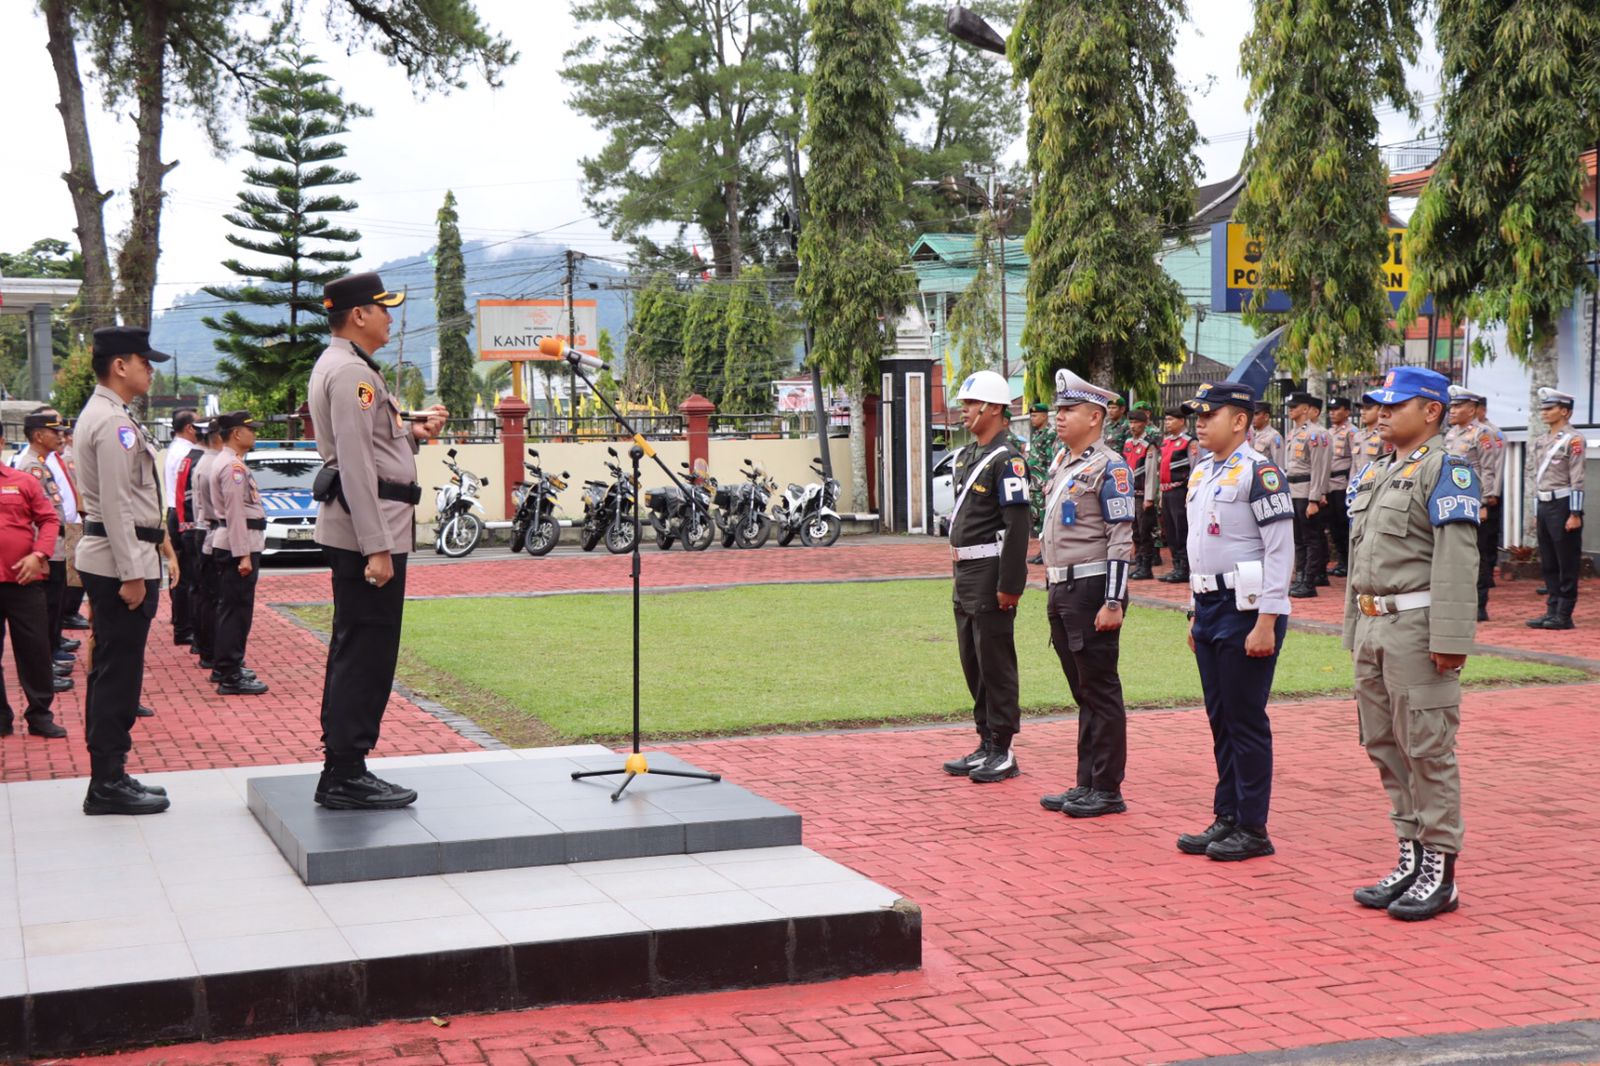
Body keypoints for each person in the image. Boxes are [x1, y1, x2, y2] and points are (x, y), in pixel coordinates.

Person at [1344, 366, 1479, 920]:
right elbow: (1360, 561)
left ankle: (1440, 870)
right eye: (1378, 406)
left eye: (1393, 406)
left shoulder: (1447, 470)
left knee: (1426, 748)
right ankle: (1411, 851)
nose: (1380, 415)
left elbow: (1456, 561)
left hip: (1417, 629)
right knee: (1383, 744)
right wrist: (1353, 629)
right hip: (1374, 624)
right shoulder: (1379, 471)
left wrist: (1450, 638)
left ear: (1430, 411)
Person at [310, 272, 447, 810]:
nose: (391, 317)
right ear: (358, 314)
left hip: (376, 526)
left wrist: (412, 433)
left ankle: (346, 765)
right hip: (371, 531)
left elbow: (374, 441)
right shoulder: (351, 374)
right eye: (383, 308)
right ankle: (345, 771)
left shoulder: (354, 370)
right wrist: (375, 546)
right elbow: (356, 463)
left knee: (361, 649)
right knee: (364, 653)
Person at [1177, 381, 1294, 861]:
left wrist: (1268, 619)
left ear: (1241, 420)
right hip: (1208, 606)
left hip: (1246, 610)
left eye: (1210, 414)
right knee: (1220, 720)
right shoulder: (1202, 471)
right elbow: (1198, 548)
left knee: (1245, 721)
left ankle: (1253, 827)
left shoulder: (1260, 473)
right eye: (1197, 416)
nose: (1200, 423)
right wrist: (1192, 608)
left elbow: (1280, 551)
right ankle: (1227, 815)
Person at [75, 326, 179, 816]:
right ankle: (107, 782)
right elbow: (117, 505)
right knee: (118, 673)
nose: (150, 369)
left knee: (114, 669)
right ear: (120, 365)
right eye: (144, 361)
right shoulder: (112, 422)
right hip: (123, 561)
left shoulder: (110, 415)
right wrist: (131, 573)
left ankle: (111, 774)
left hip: (126, 556)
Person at [1036, 370, 1135, 818]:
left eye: (1068, 410)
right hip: (1062, 584)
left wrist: (1113, 601)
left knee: (1101, 689)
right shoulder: (1064, 462)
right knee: (1084, 690)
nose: (1058, 417)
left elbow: (1120, 537)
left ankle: (1108, 788)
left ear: (1094, 417)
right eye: (1058, 410)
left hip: (1092, 586)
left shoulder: (1110, 466)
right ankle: (1086, 782)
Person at [939, 369, 1031, 784]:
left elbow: (1017, 527)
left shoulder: (1007, 459)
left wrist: (1010, 585)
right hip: (965, 570)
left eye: (971, 405)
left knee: (995, 661)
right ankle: (984, 739)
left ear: (993, 408)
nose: (964, 411)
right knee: (972, 660)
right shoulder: (969, 456)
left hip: (991, 569)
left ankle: (1003, 747)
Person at [0, 421, 68, 739]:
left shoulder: (22, 480)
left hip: (23, 581)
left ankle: (40, 715)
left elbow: (49, 518)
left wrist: (38, 554)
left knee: (35, 651)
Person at [209, 410, 270, 696]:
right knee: (236, 612)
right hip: (238, 544)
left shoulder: (230, 463)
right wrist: (243, 554)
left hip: (236, 542)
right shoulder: (232, 467)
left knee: (231, 609)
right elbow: (234, 514)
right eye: (251, 430)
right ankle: (230, 674)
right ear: (236, 433)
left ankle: (226, 666)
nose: (254, 434)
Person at [19, 414, 74, 694]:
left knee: (55, 607)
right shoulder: (30, 467)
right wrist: (41, 555)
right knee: (47, 610)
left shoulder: (40, 464)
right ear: (39, 436)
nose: (61, 436)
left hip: (56, 545)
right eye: (55, 433)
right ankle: (46, 665)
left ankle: (51, 657)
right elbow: (33, 516)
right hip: (46, 548)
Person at [1444, 386, 1505, 621]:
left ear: (1471, 409)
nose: (1453, 410)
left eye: (1458, 406)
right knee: (1455, 555)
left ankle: (1479, 605)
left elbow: (1488, 470)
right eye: (1452, 406)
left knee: (1476, 555)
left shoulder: (1483, 433)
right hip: (1454, 501)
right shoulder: (1451, 434)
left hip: (1474, 500)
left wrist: (1484, 503)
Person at [1527, 387, 1586, 630]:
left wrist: (1575, 513)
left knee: (1566, 560)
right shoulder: (1541, 441)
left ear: (1565, 412)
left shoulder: (1574, 440)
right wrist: (1534, 511)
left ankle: (1564, 614)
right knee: (1549, 560)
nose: (1544, 412)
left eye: (1549, 408)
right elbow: (1536, 478)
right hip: (1544, 503)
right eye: (1543, 408)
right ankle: (1551, 609)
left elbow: (1578, 478)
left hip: (1563, 505)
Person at [1285, 392, 1331, 597]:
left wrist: (1314, 498)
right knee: (1297, 538)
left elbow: (1320, 468)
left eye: (1294, 406)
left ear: (1305, 409)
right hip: (1293, 490)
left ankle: (1310, 581)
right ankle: (1300, 576)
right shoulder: (1293, 433)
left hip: (1306, 491)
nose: (1290, 410)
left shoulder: (1317, 434)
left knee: (1311, 537)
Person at [189, 420, 225, 670]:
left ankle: (206, 648)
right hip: (212, 529)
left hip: (203, 528)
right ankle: (211, 651)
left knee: (206, 595)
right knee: (214, 597)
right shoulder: (214, 464)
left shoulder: (205, 460)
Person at [163, 409, 201, 646]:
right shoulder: (186, 452)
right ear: (189, 428)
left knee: (181, 573)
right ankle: (184, 627)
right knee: (187, 574)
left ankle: (182, 622)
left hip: (175, 511)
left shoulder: (175, 449)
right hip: (183, 512)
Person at [1157, 407, 1199, 584]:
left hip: (1180, 490)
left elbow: (1194, 467)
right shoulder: (1166, 442)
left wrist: (1190, 493)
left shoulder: (1189, 442)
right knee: (1170, 530)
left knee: (1181, 528)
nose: (1167, 423)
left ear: (1182, 421)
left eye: (1171, 420)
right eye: (1166, 420)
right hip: (1166, 491)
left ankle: (1184, 567)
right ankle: (1176, 565)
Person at [1123, 407, 1161, 579]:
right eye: (1130, 422)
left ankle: (1146, 566)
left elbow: (1151, 472)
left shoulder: (1149, 446)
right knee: (1135, 531)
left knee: (1145, 531)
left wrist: (1149, 497)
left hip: (1142, 494)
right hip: (1130, 494)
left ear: (1145, 424)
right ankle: (1138, 564)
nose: (1133, 426)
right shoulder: (1128, 444)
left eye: (1136, 422)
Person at [1323, 397, 1356, 577]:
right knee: (1333, 525)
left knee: (1344, 524)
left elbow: (1355, 460)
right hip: (1329, 484)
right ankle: (1341, 560)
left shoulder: (1352, 432)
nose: (1332, 412)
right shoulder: (1329, 432)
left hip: (1343, 483)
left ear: (1347, 412)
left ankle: (1347, 561)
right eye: (1331, 409)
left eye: (1337, 409)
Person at [1026, 402, 1058, 563]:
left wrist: (1048, 482)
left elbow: (1051, 460)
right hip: (1034, 483)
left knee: (1045, 518)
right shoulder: (1037, 433)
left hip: (1043, 484)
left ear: (1045, 416)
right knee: (1037, 519)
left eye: (1035, 415)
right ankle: (1041, 551)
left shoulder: (1050, 434)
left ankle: (1046, 552)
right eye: (1031, 415)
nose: (1032, 418)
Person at [1351, 398, 1391, 470]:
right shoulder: (1358, 435)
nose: (1363, 412)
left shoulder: (1384, 435)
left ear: (1380, 410)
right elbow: (1354, 466)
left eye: (1368, 408)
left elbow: (1388, 465)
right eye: (1362, 408)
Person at [1249, 403, 1286, 470]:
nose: (1253, 417)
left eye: (1256, 414)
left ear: (1266, 417)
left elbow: (1278, 464)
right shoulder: (1252, 434)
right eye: (1252, 414)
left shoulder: (1274, 436)